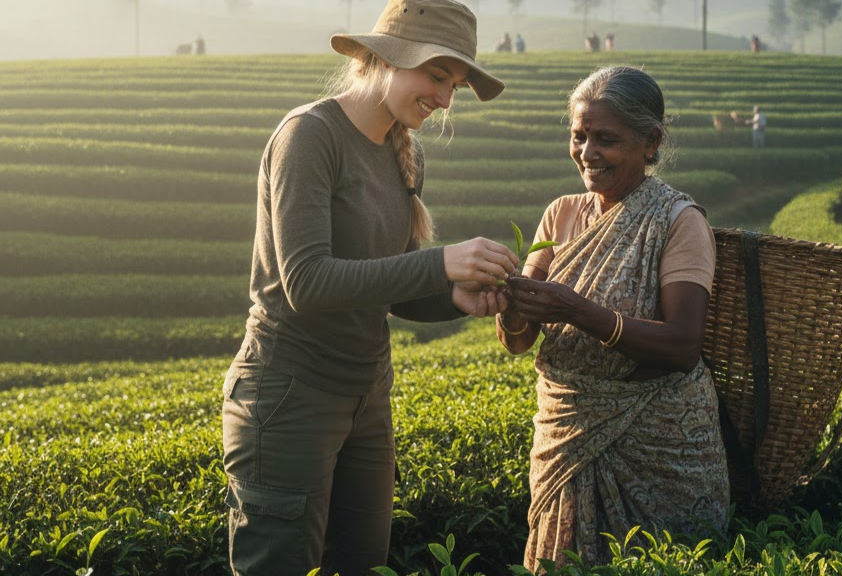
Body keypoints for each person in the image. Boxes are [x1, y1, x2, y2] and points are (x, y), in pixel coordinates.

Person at [219, 1, 518, 575]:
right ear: (386, 57)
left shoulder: (404, 151)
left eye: (453, 84)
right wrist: (442, 264)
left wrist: (455, 298)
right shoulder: (309, 136)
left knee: (363, 565)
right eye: (437, 76)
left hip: (366, 394)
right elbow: (306, 282)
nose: (445, 100)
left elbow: (389, 286)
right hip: (290, 396)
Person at [497, 66, 729, 570]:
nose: (587, 153)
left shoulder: (678, 221)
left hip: (659, 444)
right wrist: (510, 301)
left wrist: (575, 310)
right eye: (578, 137)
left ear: (651, 141)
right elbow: (519, 342)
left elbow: (683, 344)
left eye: (606, 139)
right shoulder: (560, 214)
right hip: (566, 433)